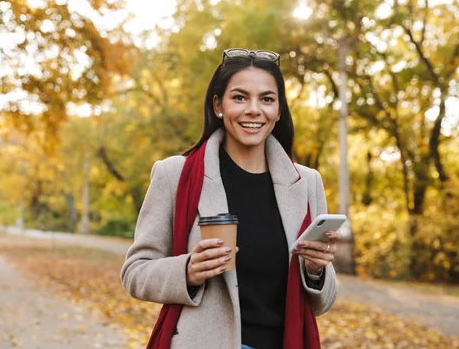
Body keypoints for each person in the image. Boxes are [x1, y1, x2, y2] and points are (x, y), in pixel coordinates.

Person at [121, 48, 339, 349]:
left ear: (278, 111)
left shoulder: (307, 182)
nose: (254, 109)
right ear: (218, 105)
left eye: (267, 99)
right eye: (239, 97)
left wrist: (315, 272)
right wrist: (187, 271)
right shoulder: (176, 175)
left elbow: (321, 303)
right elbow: (135, 272)